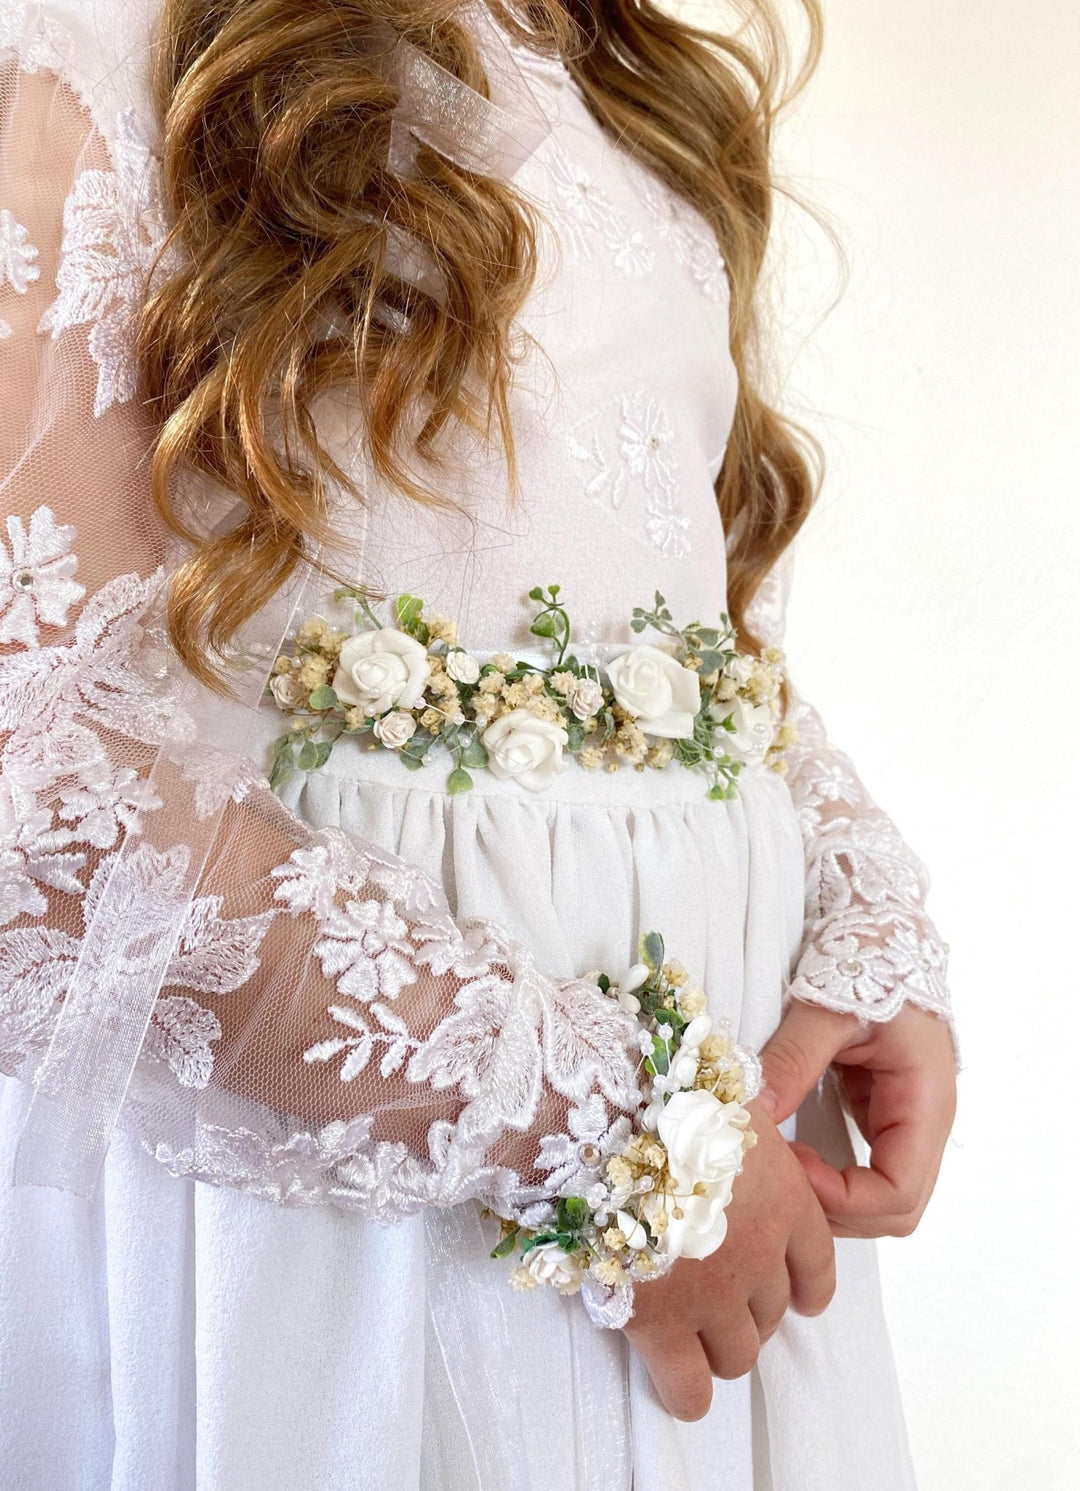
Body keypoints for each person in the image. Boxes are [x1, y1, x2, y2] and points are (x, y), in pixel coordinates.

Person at [0, 1, 957, 1487]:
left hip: (741, 1146)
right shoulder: (111, 51)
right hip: (368, 1195)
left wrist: (858, 907)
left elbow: (682, 641)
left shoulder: (630, 76)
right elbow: (40, 779)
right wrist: (615, 1146)